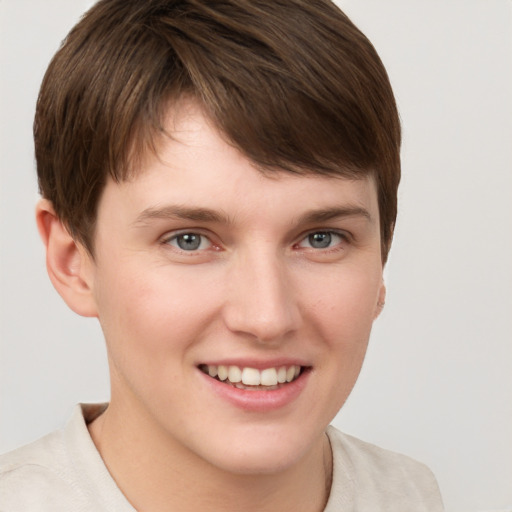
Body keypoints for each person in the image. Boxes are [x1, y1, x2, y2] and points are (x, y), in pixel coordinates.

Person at [0, 0, 444, 510]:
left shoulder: (413, 495)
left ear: (381, 259)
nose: (267, 317)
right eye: (188, 240)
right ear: (72, 261)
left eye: (321, 238)